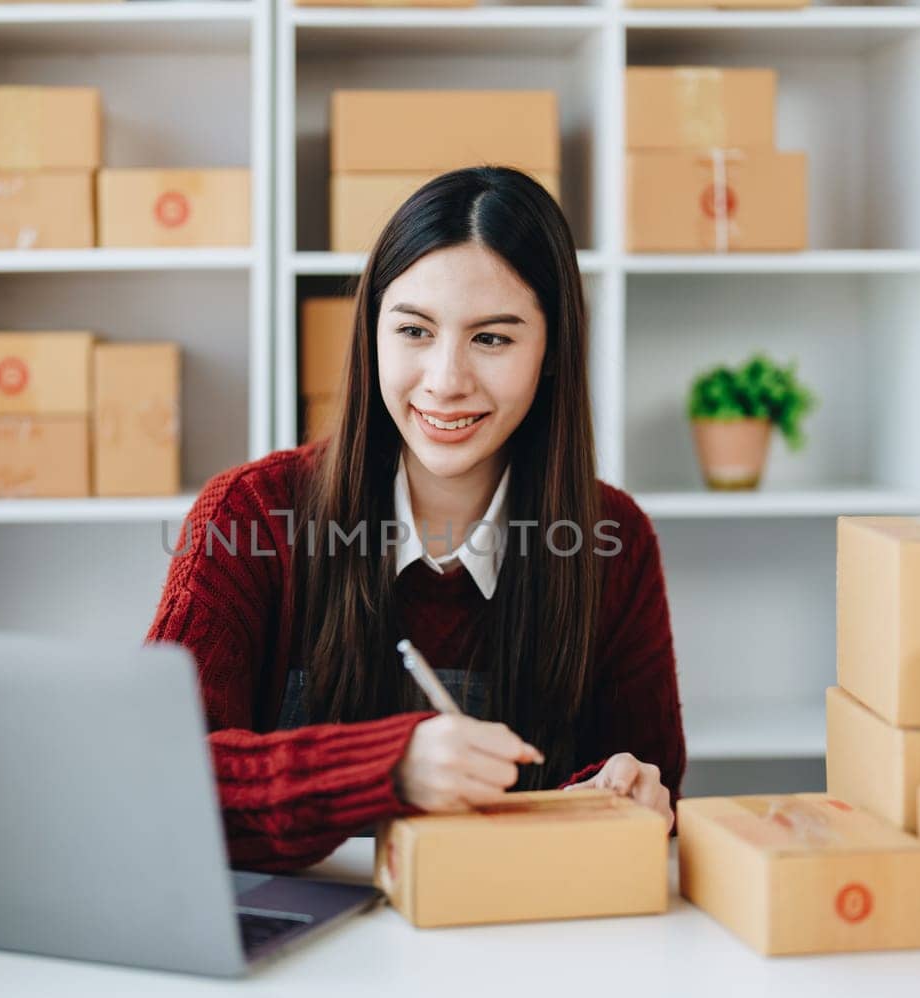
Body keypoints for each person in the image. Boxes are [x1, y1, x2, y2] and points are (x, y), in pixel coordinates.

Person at [147, 166, 684, 873]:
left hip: (512, 943)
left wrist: (619, 793)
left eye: (493, 339)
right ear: (373, 333)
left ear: (552, 353)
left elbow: (649, 794)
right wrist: (386, 767)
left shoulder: (614, 541)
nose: (445, 378)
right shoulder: (248, 516)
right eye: (414, 331)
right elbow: (157, 777)